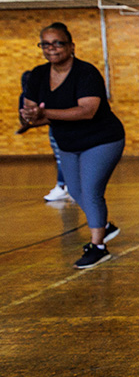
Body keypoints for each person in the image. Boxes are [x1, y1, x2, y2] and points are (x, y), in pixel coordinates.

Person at [19, 22, 124, 269]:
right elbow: (31, 113)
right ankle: (105, 226)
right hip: (68, 143)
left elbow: (87, 111)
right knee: (75, 192)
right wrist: (30, 116)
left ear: (71, 46)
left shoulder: (86, 73)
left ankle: (98, 246)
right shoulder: (37, 75)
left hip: (102, 139)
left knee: (90, 191)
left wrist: (46, 114)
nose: (52, 48)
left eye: (58, 43)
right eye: (45, 44)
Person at [17, 70, 73, 202]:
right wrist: (27, 122)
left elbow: (59, 113)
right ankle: (65, 186)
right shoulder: (25, 96)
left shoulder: (51, 92)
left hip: (68, 127)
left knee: (66, 157)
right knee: (60, 157)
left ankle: (63, 186)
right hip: (55, 128)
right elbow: (26, 119)